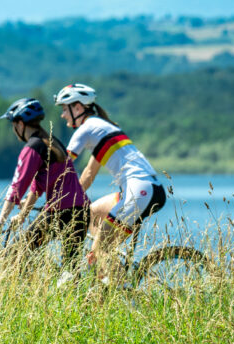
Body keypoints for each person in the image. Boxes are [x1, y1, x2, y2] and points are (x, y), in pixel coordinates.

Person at [54, 83, 165, 269]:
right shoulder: (101, 128)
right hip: (144, 190)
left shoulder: (87, 129)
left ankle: (122, 290)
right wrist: (67, 200)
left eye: (65, 108)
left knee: (99, 251)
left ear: (78, 107)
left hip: (140, 192)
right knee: (91, 213)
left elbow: (63, 166)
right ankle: (106, 277)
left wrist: (52, 201)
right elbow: (88, 175)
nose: (63, 114)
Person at [0, 98, 91, 266]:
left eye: (13, 125)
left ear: (20, 124)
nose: (14, 130)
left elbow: (18, 185)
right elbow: (37, 187)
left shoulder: (33, 147)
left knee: (16, 254)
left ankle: (27, 289)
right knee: (70, 269)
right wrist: (23, 214)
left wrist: (0, 220)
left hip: (61, 212)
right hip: (82, 210)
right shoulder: (52, 142)